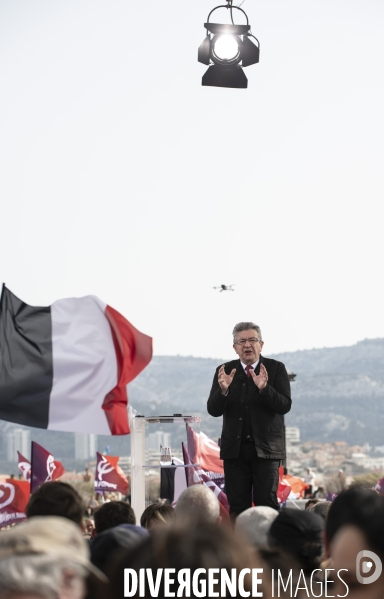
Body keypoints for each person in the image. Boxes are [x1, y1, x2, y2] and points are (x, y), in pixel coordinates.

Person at [207, 322, 291, 517]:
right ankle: (239, 548)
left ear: (261, 344)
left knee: (267, 506)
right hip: (235, 453)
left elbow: (284, 405)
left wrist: (264, 388)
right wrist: (223, 391)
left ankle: (267, 547)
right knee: (237, 507)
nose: (247, 345)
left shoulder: (276, 368)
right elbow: (213, 410)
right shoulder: (225, 370)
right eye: (242, 341)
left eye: (252, 340)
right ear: (235, 347)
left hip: (266, 451)